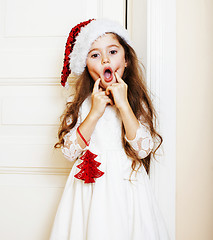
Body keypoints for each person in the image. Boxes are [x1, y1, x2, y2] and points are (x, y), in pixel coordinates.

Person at [50, 19, 170, 240]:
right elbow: (68, 152)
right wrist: (94, 112)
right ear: (86, 65)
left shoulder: (135, 102)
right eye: (94, 55)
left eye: (112, 51)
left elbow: (143, 150)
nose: (105, 59)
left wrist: (123, 105)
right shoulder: (83, 103)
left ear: (125, 60)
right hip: (89, 189)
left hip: (127, 188)